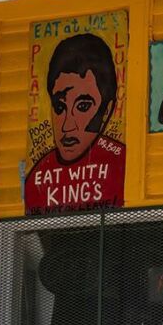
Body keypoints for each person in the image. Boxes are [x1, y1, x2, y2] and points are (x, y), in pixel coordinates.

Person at [23, 32, 126, 213]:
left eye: (83, 106)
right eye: (60, 107)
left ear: (107, 111)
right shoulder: (36, 180)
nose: (67, 126)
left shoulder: (119, 165)